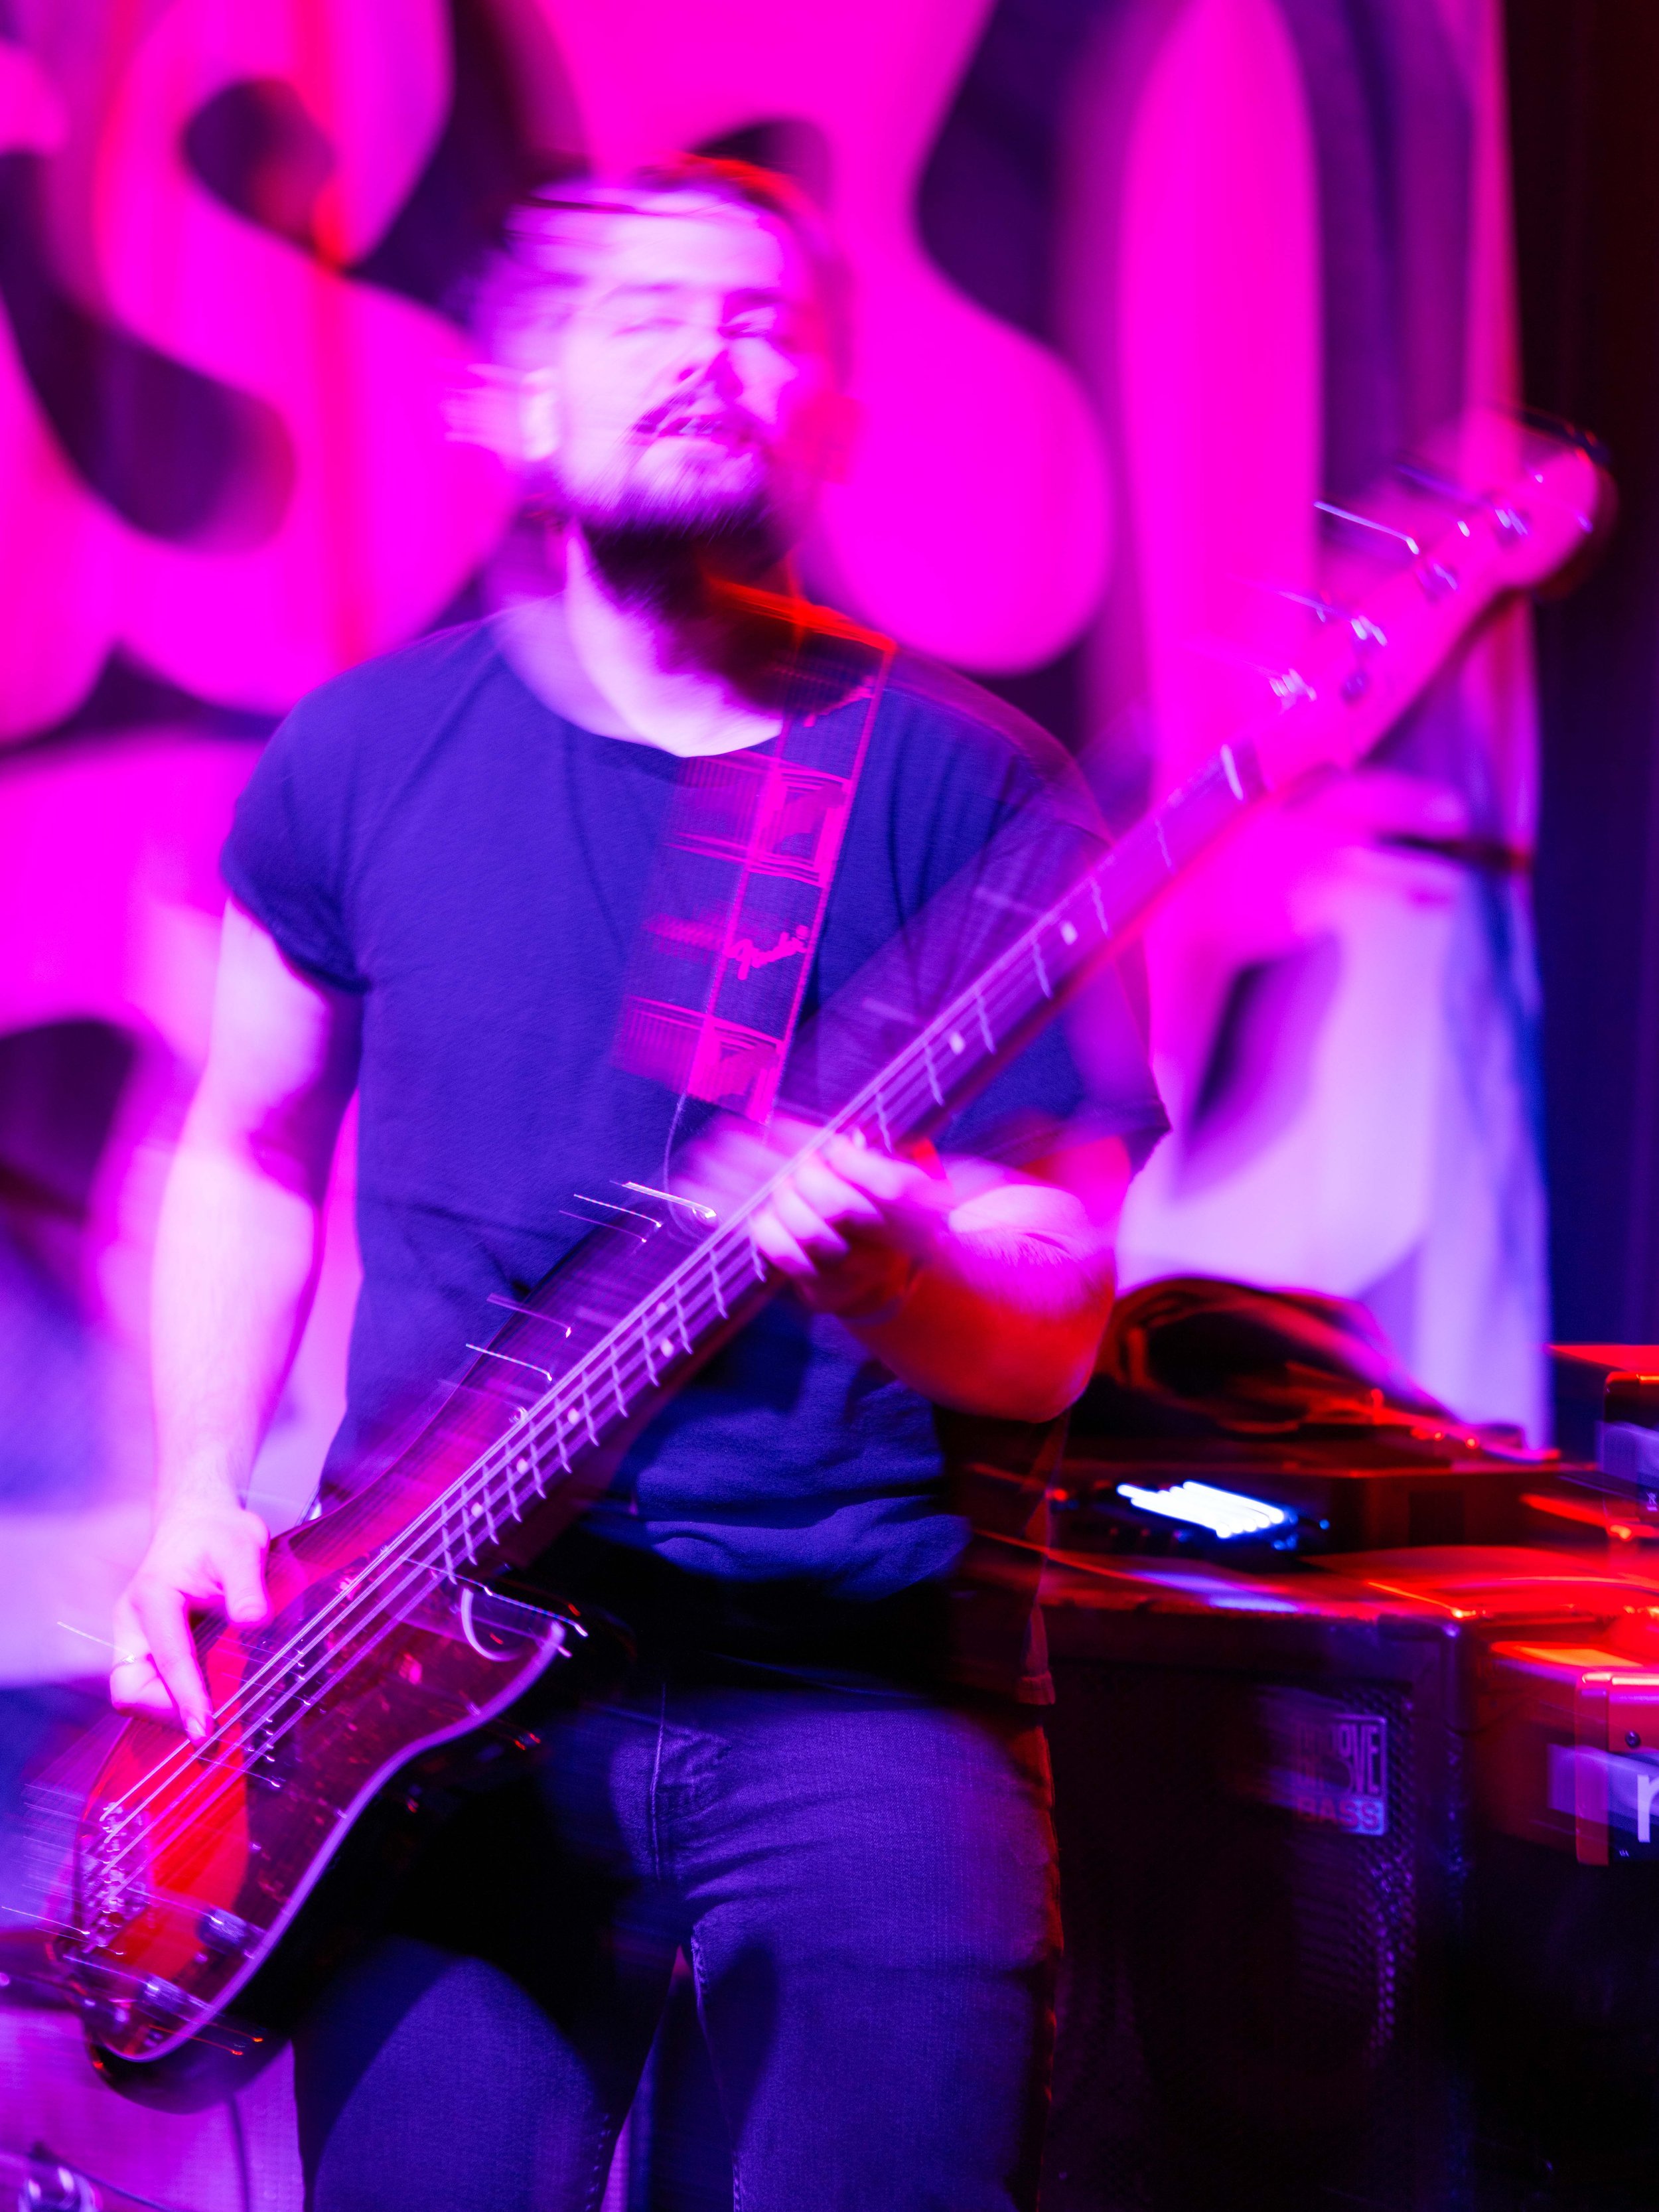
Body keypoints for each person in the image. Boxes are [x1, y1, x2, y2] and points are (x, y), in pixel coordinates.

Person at [109, 158, 1166, 2211]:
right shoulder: (354, 757)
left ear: (827, 410)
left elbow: (1048, 1320)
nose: (704, 352)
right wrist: (188, 1494)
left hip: (857, 1701)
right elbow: (243, 1148)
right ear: (508, 402)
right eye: (639, 313)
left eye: (759, 321)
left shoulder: (967, 786)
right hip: (418, 1693)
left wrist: (897, 1266)